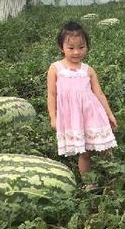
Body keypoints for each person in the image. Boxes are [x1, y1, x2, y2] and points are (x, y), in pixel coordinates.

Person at [47, 21, 117, 179]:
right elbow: (52, 95)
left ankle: (114, 177)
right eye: (71, 48)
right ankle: (88, 182)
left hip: (92, 114)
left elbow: (99, 94)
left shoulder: (88, 70)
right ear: (61, 47)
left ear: (87, 46)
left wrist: (109, 114)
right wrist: (53, 117)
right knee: (85, 152)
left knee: (105, 148)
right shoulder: (56, 69)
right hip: (74, 118)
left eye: (81, 47)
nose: (77, 52)